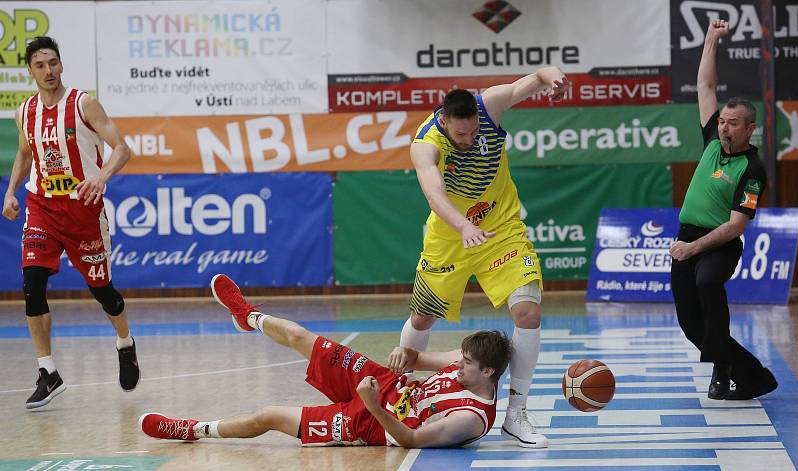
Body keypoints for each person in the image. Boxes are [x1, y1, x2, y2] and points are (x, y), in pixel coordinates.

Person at [392, 68, 569, 447]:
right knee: (422, 318)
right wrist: (462, 227)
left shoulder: (488, 106)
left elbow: (535, 77)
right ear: (444, 120)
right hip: (451, 235)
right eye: (461, 134)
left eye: (474, 132)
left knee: (528, 311)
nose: (470, 139)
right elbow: (434, 195)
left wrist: (554, 79)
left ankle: (516, 413)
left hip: (500, 227)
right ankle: (400, 392)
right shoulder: (425, 143)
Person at [139, 274, 512, 448]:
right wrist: (406, 354)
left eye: (465, 364)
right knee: (304, 338)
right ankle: (248, 316)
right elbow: (418, 357)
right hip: (385, 383)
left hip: (372, 424)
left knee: (270, 415)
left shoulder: (469, 418)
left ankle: (192, 429)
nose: (458, 365)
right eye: (460, 359)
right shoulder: (468, 364)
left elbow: (411, 439)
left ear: (488, 373)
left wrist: (371, 407)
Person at [1, 36, 139, 409]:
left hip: (83, 212)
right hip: (42, 207)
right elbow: (25, 154)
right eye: (40, 65)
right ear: (29, 70)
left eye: (53, 63)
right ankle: (48, 372)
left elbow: (123, 149)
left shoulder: (83, 104)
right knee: (32, 284)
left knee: (104, 292)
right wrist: (11, 191)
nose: (49, 71)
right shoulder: (25, 111)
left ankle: (125, 343)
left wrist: (101, 177)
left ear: (62, 65)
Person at [669, 19, 777, 401]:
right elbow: (705, 85)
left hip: (716, 246)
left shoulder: (752, 170)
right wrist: (711, 39)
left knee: (707, 283)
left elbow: (735, 227)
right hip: (686, 239)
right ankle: (750, 373)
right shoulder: (712, 143)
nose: (725, 128)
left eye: (733, 124)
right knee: (691, 325)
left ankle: (723, 367)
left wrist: (693, 249)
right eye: (722, 122)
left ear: (750, 129)